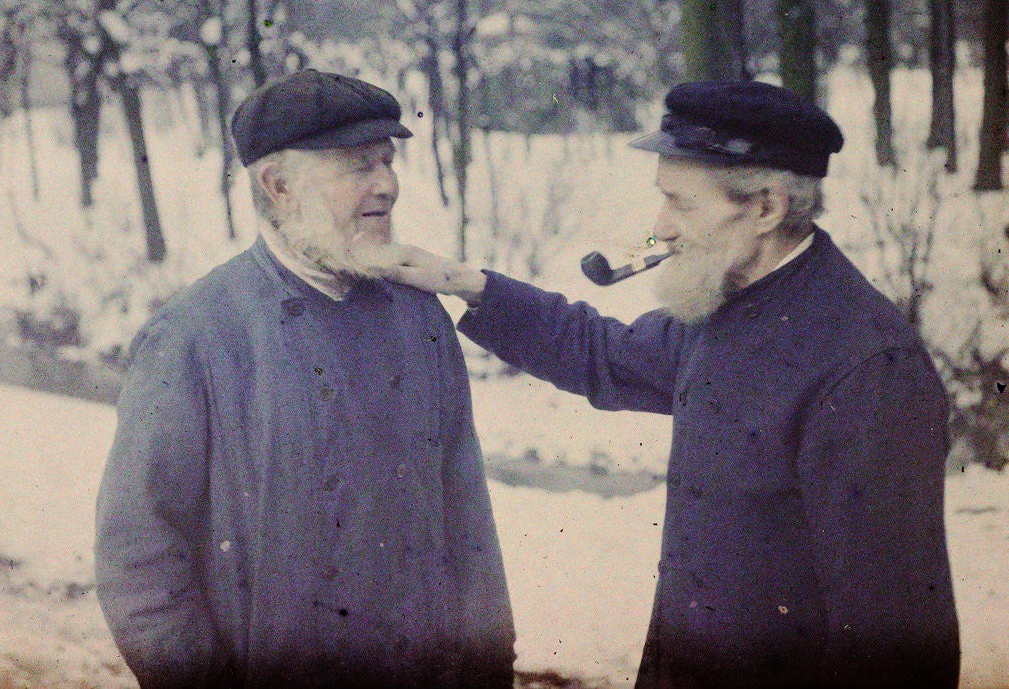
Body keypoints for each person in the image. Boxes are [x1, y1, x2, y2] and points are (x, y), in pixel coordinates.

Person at [382, 81, 960, 688]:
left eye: (680, 204)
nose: (661, 226)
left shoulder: (867, 368)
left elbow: (897, 641)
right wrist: (469, 285)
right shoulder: (727, 303)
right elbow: (603, 353)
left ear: (765, 208)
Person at [94, 69, 515, 688]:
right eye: (358, 165)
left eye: (388, 161)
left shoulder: (420, 316)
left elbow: (468, 525)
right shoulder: (193, 336)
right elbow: (139, 557)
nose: (388, 186)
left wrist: (488, 673)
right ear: (278, 184)